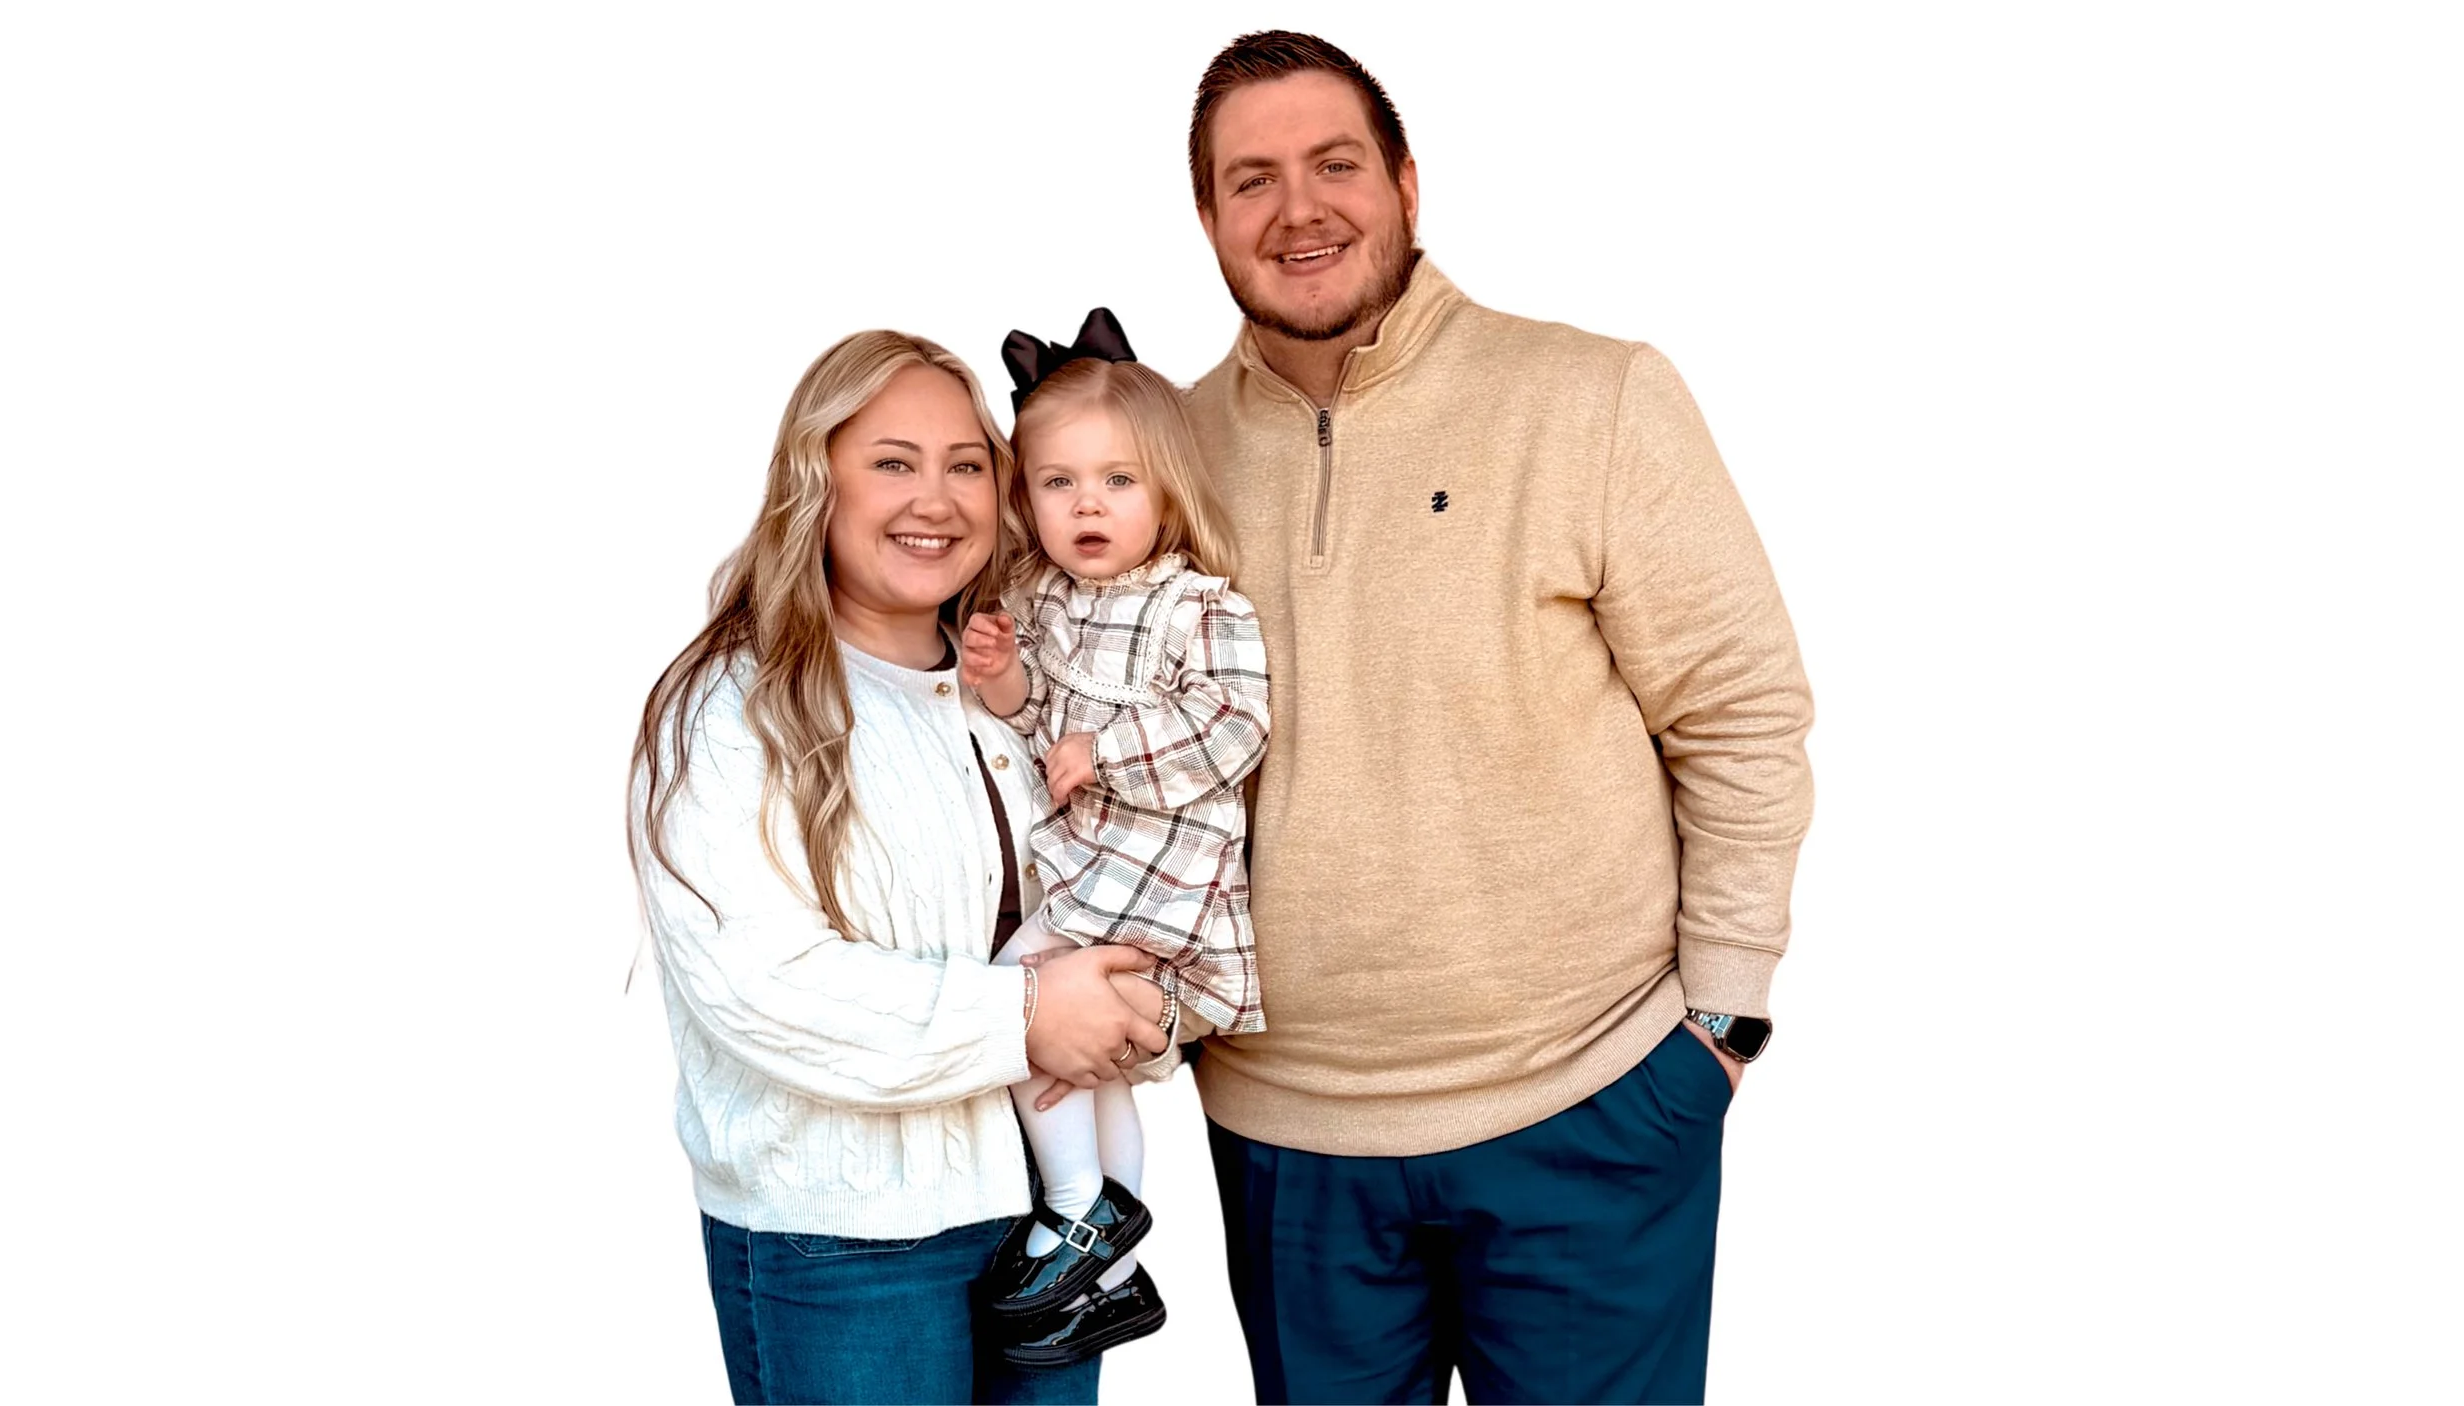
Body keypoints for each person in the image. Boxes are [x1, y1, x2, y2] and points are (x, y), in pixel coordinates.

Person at [1167, 30, 1819, 1405]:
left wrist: (1722, 1020)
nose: (1298, 209)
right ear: (1208, 217)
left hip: (1591, 1102)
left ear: (1407, 183)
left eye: (1336, 164)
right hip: (1288, 1131)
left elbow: (1740, 710)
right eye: (1252, 180)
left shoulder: (1590, 396)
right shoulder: (1154, 457)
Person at [626, 329, 1175, 1405]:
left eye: (965, 463)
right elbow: (763, 986)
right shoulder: (733, 708)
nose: (936, 498)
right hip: (850, 1243)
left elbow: (1116, 878)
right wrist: (1028, 1017)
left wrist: (1141, 1006)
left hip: (1050, 1224)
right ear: (815, 481)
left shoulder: (1017, 690)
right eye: (892, 461)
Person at [958, 310, 1270, 1367]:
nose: (1086, 504)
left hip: (1159, 873)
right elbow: (1035, 727)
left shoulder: (1201, 608)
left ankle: (1076, 1208)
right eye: (1058, 482)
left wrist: (1107, 750)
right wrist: (1004, 676)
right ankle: (1110, 1265)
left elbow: (1234, 725)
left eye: (1118, 481)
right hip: (1090, 870)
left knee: (1018, 998)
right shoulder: (1046, 600)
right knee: (1091, 1069)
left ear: (1169, 491)